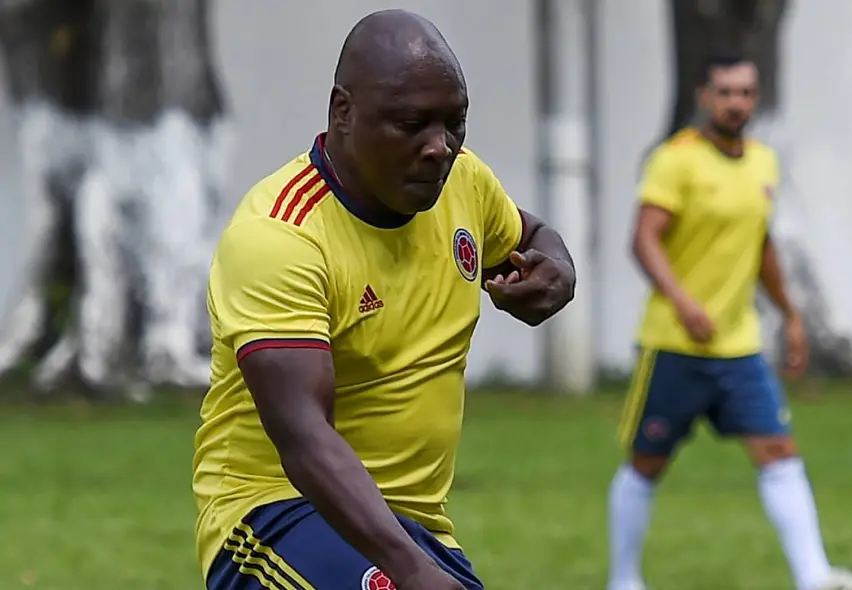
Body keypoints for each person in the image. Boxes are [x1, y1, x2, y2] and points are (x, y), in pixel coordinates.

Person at [192, 9, 576, 590]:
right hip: (277, 511)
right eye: (411, 124)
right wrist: (412, 573)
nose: (439, 148)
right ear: (343, 111)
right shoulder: (279, 235)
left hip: (416, 526)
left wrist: (558, 272)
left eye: (455, 124)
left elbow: (530, 236)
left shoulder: (465, 185)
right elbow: (303, 436)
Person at [606, 53, 852, 590]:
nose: (736, 103)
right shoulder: (675, 160)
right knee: (647, 462)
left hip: (739, 345)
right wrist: (684, 302)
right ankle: (623, 580)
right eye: (726, 92)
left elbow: (759, 247)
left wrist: (791, 314)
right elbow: (644, 240)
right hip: (675, 344)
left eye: (745, 93)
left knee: (779, 450)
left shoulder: (763, 162)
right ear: (704, 97)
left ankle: (816, 577)